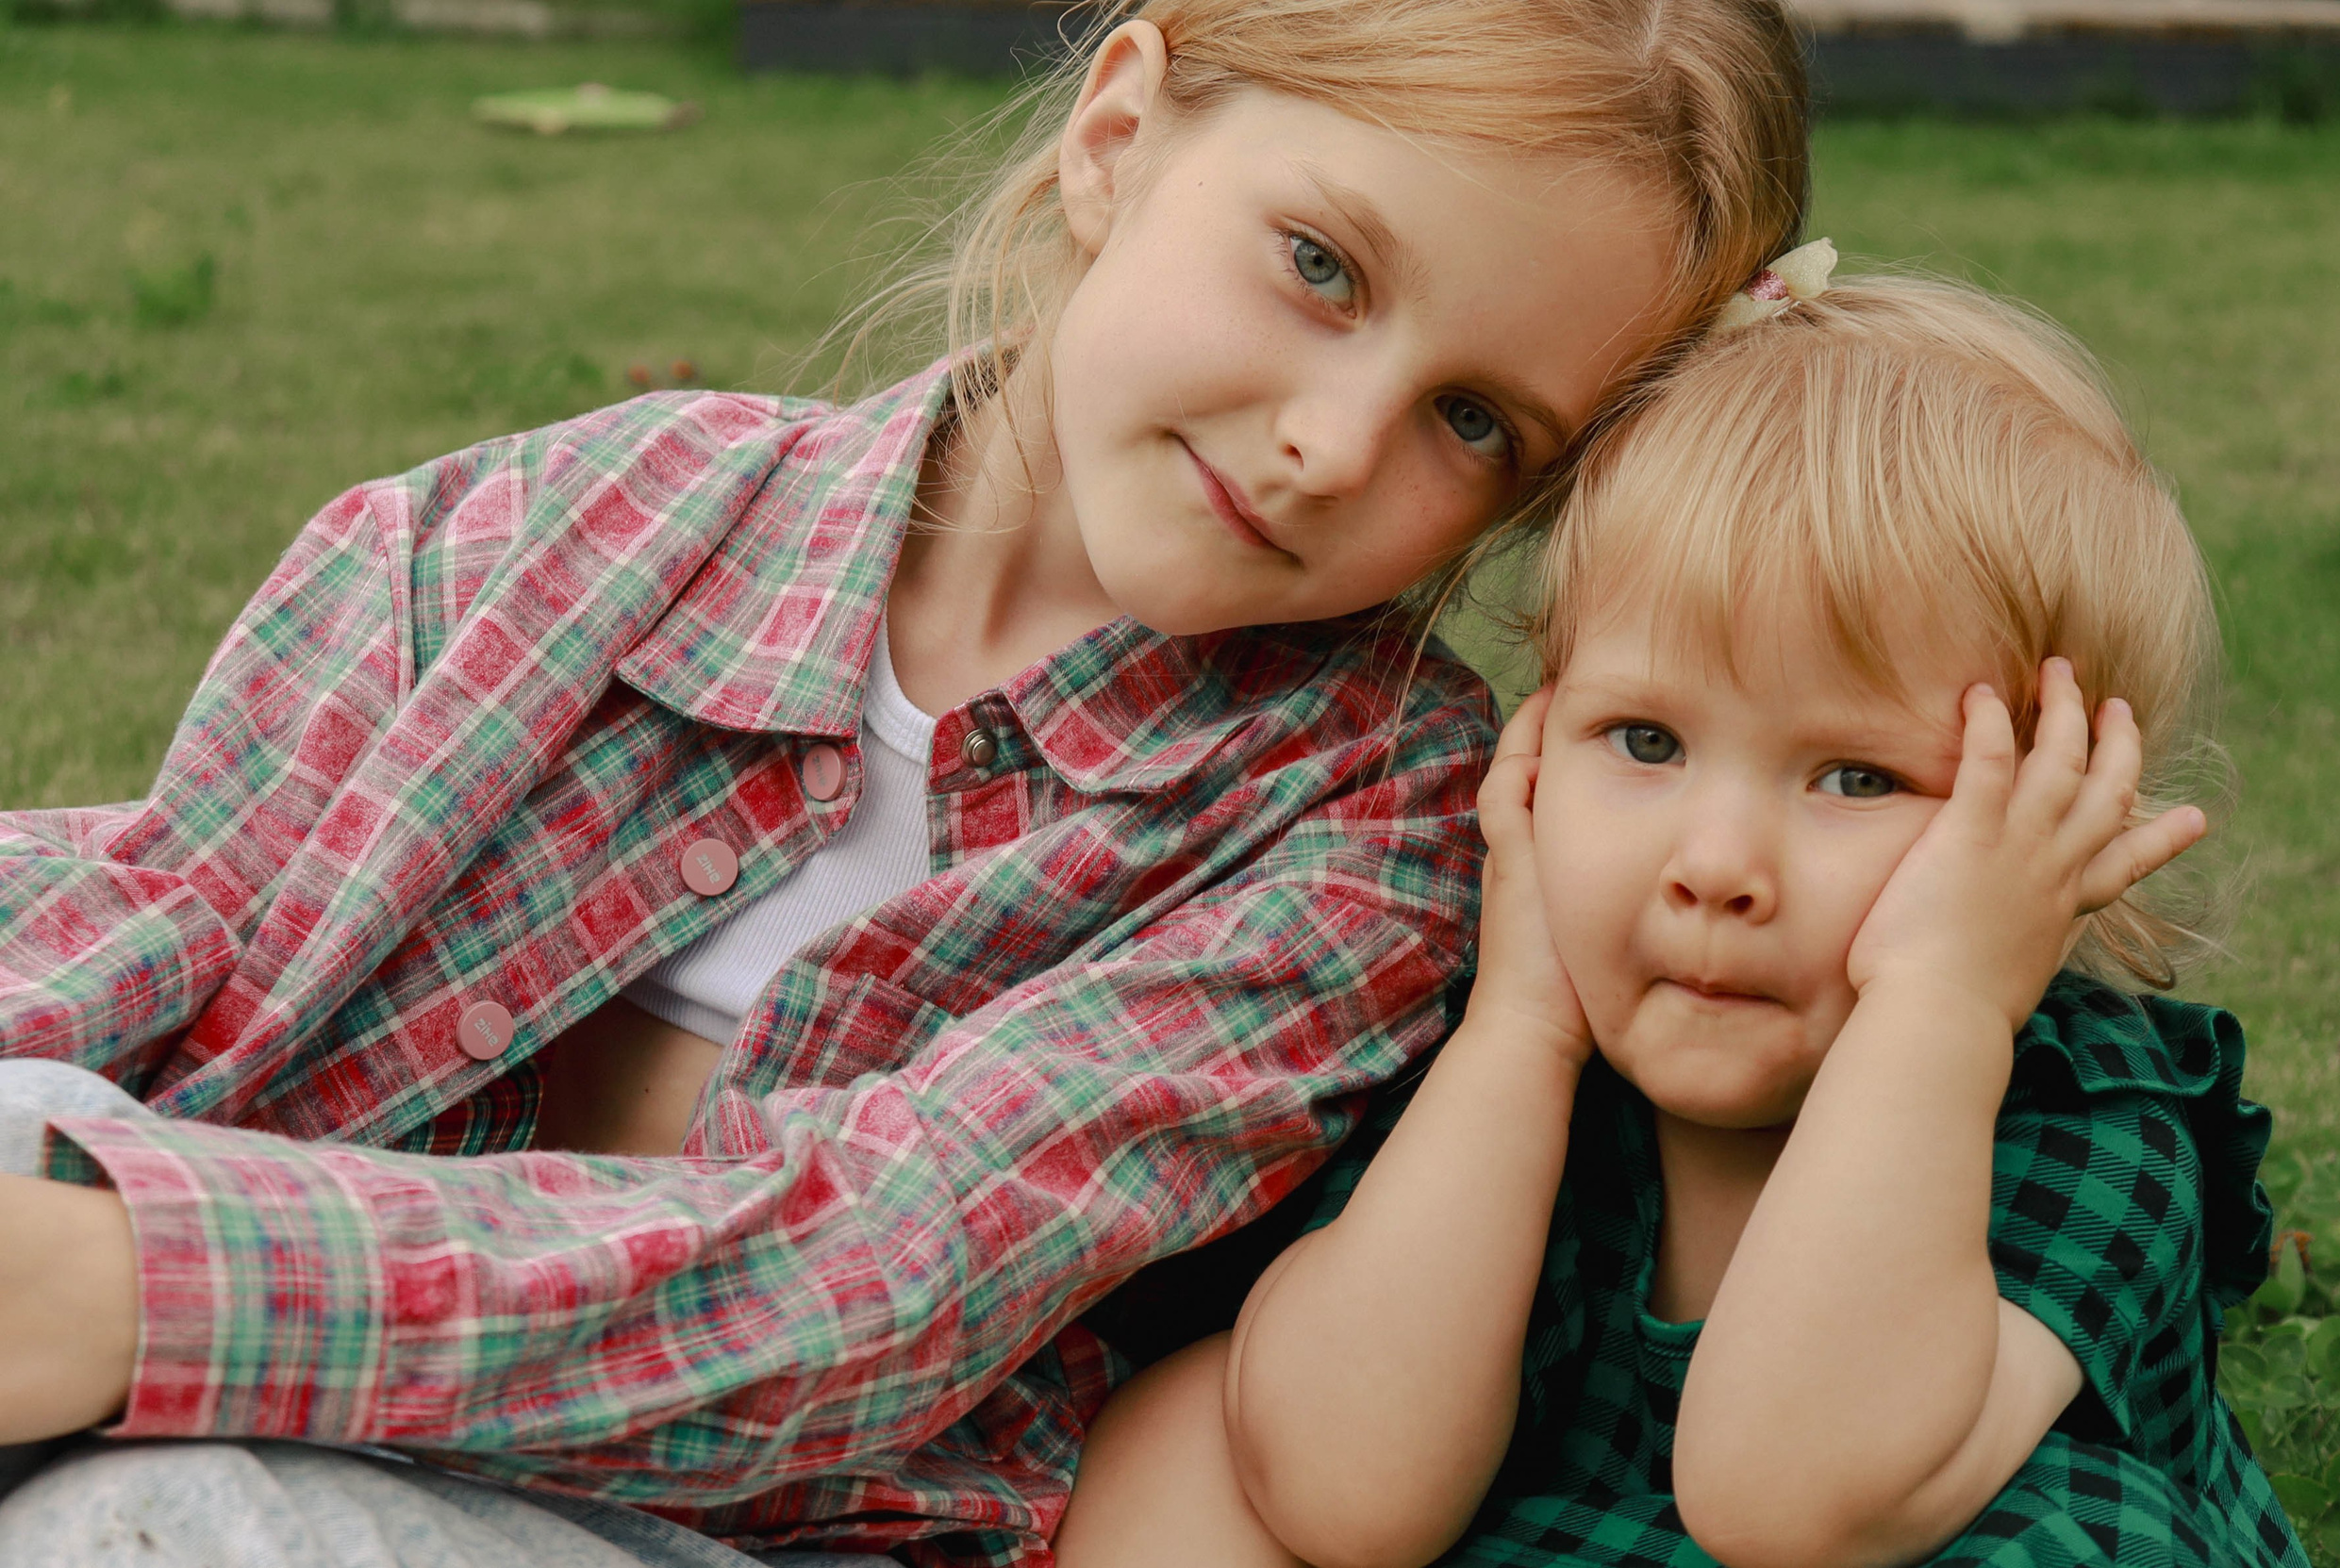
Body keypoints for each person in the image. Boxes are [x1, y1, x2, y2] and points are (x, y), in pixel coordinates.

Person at [0, 1, 1812, 1563]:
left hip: (721, 1524)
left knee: (137, 1528)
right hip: (176, 1334)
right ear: (1117, 137)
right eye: (1321, 267)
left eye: (1474, 422)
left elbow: (880, 1277)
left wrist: (135, 1287)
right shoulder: (547, 528)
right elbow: (172, 921)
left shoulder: (1358, 828)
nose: (1335, 447)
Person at [1050, 262, 2312, 1568]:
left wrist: (1938, 1005)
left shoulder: (2084, 1119)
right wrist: (1519, 1035)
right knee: (1193, 1436)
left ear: (2058, 822)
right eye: (1644, 740)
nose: (1715, 865)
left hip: (1892, 1537)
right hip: (1557, 1527)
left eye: (1857, 778)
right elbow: (1344, 1491)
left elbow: (1787, 1502)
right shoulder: (1524, 1052)